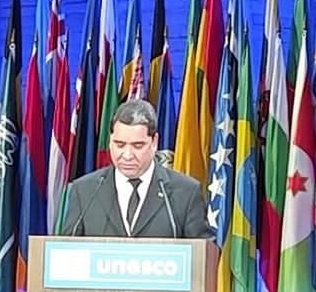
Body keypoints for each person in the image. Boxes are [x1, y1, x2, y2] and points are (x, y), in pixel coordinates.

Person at [61, 98, 214, 238]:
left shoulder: (186, 192)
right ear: (110, 141)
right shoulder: (84, 191)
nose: (127, 155)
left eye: (137, 145)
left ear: (154, 142)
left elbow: (202, 253)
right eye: (119, 145)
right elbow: (66, 250)